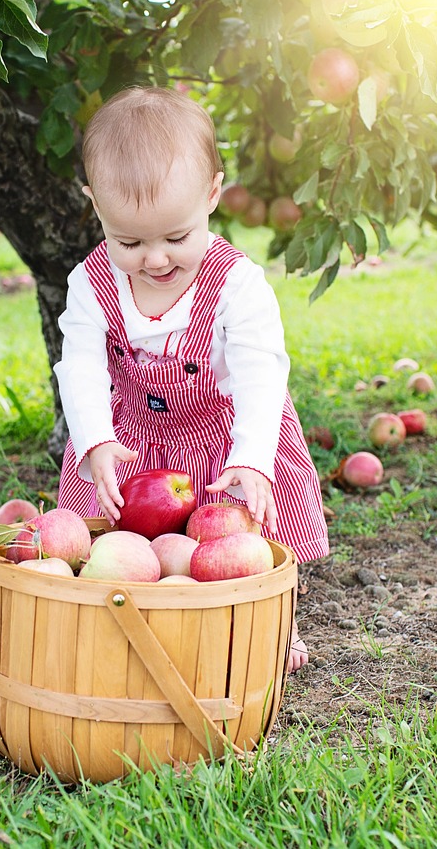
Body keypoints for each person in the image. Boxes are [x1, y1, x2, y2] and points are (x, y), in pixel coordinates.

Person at [54, 86, 329, 673]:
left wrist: (254, 458)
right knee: (117, 540)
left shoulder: (237, 283)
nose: (154, 260)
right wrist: (95, 440)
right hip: (130, 439)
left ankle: (272, 624)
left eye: (176, 238)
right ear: (95, 207)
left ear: (212, 195)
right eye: (129, 241)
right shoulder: (89, 283)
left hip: (221, 437)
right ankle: (127, 620)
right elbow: (80, 364)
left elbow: (262, 373)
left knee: (243, 540)